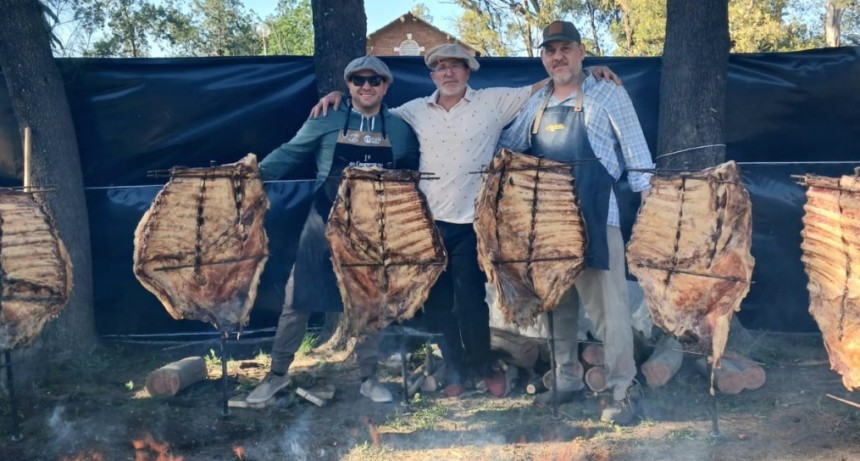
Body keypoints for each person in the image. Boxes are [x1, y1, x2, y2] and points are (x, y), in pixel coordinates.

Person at [312, 44, 621, 397]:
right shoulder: (414, 110)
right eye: (440, 68)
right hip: (426, 225)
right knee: (440, 304)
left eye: (456, 67)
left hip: (473, 223)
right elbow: (371, 106)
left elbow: (544, 85)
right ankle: (456, 372)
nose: (448, 74)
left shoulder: (493, 101)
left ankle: (483, 367)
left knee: (472, 301)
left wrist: (590, 71)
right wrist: (339, 94)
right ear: (432, 76)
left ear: (468, 72)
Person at [498, 21, 655, 425]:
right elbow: (510, 146)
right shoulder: (536, 103)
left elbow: (637, 154)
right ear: (543, 59)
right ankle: (566, 379)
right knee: (556, 306)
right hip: (546, 224)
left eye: (565, 48)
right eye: (550, 51)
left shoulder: (607, 93)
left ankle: (623, 388)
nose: (558, 56)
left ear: (582, 52)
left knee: (609, 310)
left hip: (597, 216)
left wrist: (649, 205)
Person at [246, 55, 420, 404]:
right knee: (297, 302)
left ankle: (368, 378)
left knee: (372, 304)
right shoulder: (328, 117)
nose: (366, 86)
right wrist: (247, 178)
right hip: (323, 223)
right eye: (359, 81)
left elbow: (411, 173)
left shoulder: (399, 127)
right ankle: (277, 375)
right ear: (348, 86)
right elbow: (289, 152)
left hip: (373, 230)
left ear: (386, 86)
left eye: (374, 80)